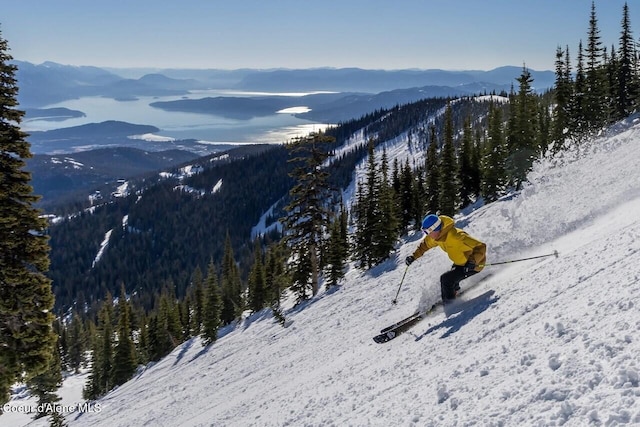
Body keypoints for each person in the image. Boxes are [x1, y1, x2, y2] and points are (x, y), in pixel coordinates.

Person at [405, 214, 486, 302]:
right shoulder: (436, 237)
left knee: (446, 279)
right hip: (460, 263)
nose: (427, 234)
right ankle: (454, 292)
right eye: (425, 232)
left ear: (436, 228)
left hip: (474, 264)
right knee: (452, 277)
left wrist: (472, 262)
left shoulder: (457, 236)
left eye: (428, 231)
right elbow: (424, 246)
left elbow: (481, 246)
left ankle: (450, 304)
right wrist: (413, 257)